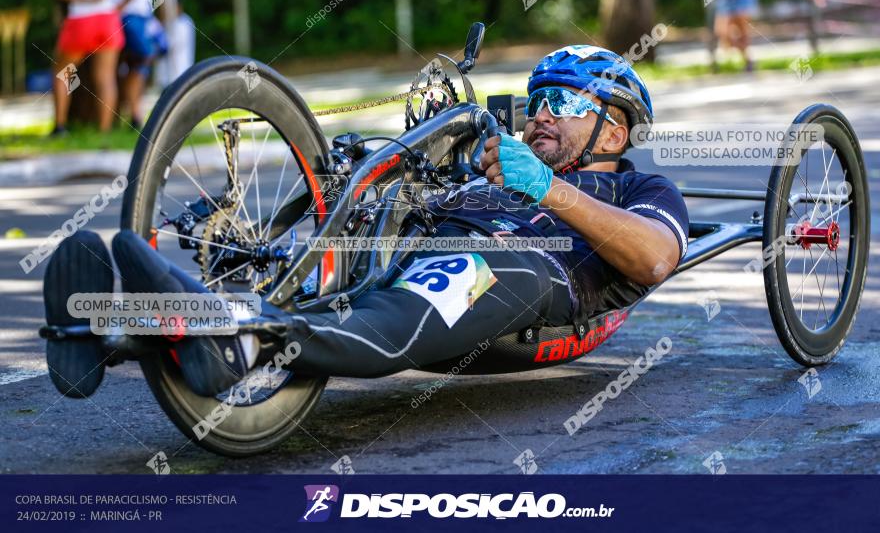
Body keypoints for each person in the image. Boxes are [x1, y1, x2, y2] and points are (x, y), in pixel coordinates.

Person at [46, 46, 689, 398]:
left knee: (420, 297)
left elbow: (657, 258)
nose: (541, 113)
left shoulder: (641, 187)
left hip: (520, 276)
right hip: (417, 251)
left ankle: (242, 342)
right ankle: (109, 333)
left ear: (613, 127)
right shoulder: (499, 166)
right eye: (537, 99)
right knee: (350, 241)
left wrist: (548, 188)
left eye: (565, 102)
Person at [52, 0, 141, 135]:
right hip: (108, 19)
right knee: (106, 78)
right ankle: (105, 130)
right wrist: (121, 5)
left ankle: (60, 126)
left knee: (64, 71)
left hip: (81, 18)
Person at [112, 0, 156, 130]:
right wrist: (122, 6)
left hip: (139, 15)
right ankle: (135, 114)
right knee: (141, 58)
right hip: (129, 15)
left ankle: (135, 114)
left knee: (136, 64)